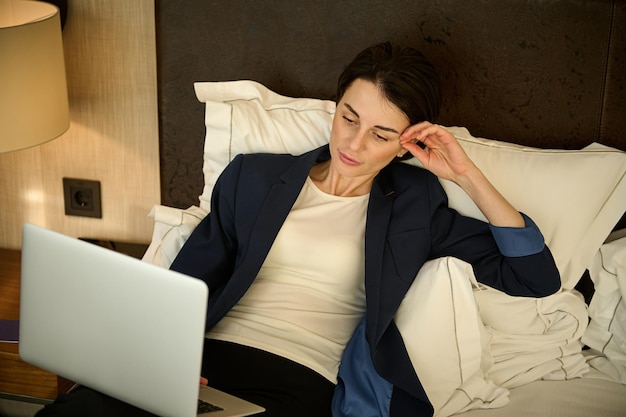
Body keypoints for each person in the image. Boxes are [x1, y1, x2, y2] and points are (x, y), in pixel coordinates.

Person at [35, 42, 560, 417]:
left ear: (406, 144)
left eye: (380, 135)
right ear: (335, 108)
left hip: (299, 378)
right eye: (348, 118)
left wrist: (467, 175)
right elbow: (189, 279)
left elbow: (534, 276)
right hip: (203, 360)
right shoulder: (254, 176)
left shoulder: (416, 206)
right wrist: (161, 359)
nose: (354, 144)